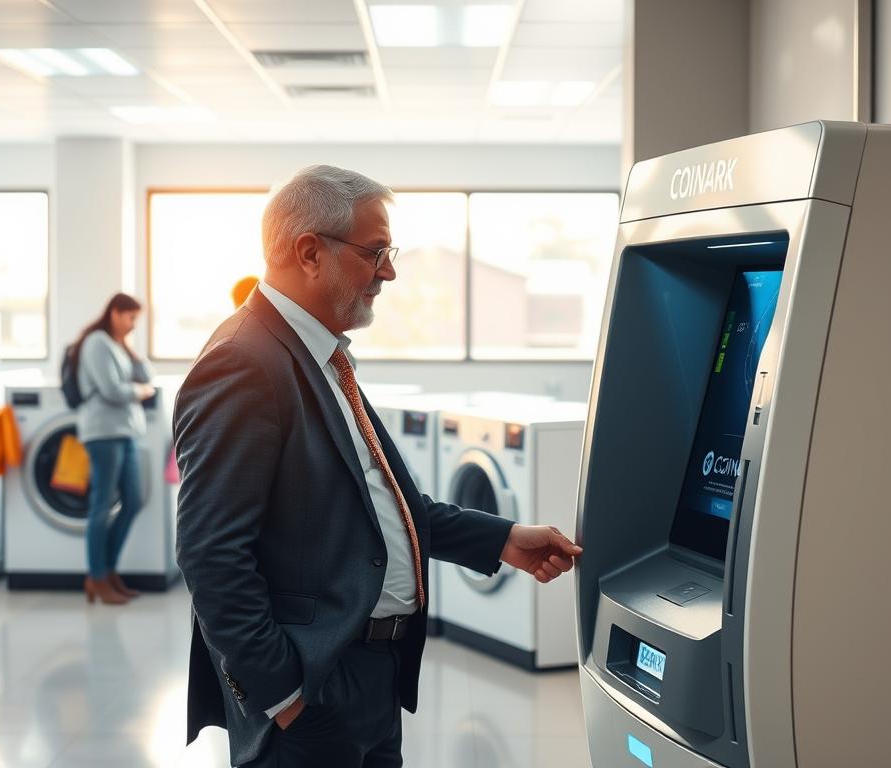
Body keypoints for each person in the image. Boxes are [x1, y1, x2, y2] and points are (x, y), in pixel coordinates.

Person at [174, 165, 584, 768]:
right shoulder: (245, 362)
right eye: (375, 252)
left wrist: (502, 539)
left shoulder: (318, 355)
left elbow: (381, 507)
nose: (389, 272)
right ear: (310, 252)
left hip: (370, 675)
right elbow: (210, 554)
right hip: (312, 686)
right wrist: (284, 696)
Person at [70, 292, 157, 606]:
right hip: (103, 433)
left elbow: (148, 375)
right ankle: (97, 576)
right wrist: (141, 391)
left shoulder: (117, 344)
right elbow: (111, 390)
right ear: (115, 313)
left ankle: (108, 571)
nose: (133, 324)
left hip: (126, 432)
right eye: (131, 317)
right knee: (102, 505)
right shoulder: (97, 343)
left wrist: (130, 349)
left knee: (133, 500)